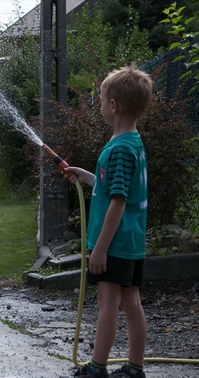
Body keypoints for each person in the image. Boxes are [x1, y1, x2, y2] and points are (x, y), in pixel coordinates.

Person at [63, 65, 153, 378]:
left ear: (112, 105)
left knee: (108, 303)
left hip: (113, 243)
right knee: (131, 303)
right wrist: (86, 176)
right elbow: (116, 189)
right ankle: (134, 368)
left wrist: (99, 249)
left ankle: (97, 367)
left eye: (101, 101)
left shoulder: (118, 150)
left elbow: (117, 202)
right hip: (131, 240)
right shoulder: (133, 144)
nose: (101, 106)